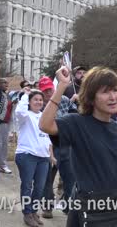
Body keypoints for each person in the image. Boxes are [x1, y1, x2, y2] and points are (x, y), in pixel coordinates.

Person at [39, 66, 117, 227]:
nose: (113, 97)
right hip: (87, 213)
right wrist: (61, 86)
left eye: (115, 90)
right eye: (105, 92)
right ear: (91, 97)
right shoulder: (77, 123)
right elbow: (45, 125)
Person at [37, 76, 76, 219]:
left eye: (50, 89)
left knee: (70, 177)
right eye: (45, 90)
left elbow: (75, 113)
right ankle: (47, 207)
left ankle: (68, 205)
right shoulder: (38, 104)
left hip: (65, 144)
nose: (48, 92)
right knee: (47, 179)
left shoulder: (65, 100)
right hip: (47, 146)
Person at [15, 87, 51, 227]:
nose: (38, 102)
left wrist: (51, 156)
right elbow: (19, 110)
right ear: (29, 102)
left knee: (40, 187)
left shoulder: (44, 116)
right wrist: (25, 95)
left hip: (43, 157)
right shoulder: (25, 116)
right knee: (27, 186)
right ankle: (27, 213)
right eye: (35, 99)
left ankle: (34, 211)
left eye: (40, 100)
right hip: (27, 155)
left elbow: (48, 138)